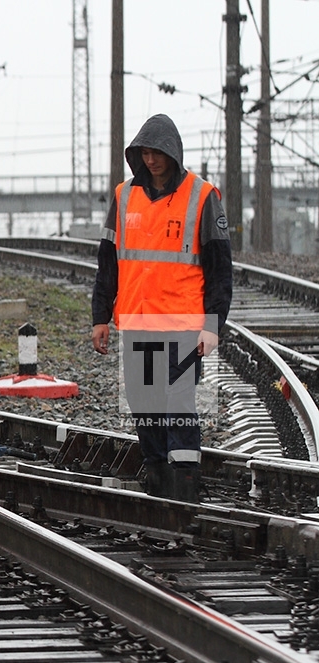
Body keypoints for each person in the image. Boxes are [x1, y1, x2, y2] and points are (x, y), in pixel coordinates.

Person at [91, 114, 233, 502]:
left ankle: (184, 487)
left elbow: (221, 271)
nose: (151, 160)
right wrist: (100, 317)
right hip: (137, 321)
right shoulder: (123, 196)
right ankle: (157, 479)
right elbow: (108, 262)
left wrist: (213, 325)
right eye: (145, 153)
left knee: (178, 402)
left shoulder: (203, 196)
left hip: (184, 324)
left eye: (157, 153)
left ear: (173, 152)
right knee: (144, 402)